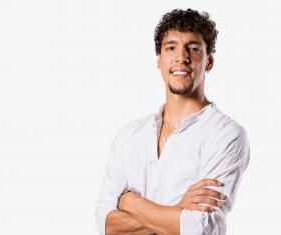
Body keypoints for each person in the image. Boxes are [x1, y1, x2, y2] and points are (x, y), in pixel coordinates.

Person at [96, 8, 250, 235]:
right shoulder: (129, 135)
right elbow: (105, 224)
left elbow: (199, 227)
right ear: (159, 60)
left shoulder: (226, 135)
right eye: (171, 48)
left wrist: (128, 202)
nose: (182, 57)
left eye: (194, 49)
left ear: (209, 61)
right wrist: (177, 209)